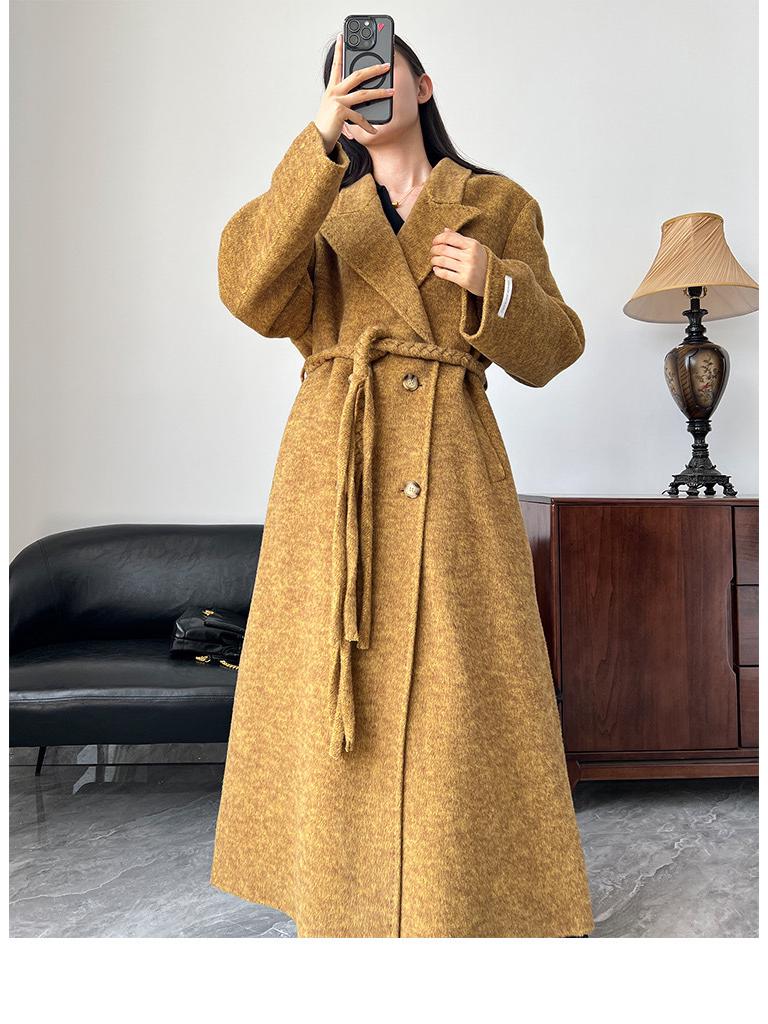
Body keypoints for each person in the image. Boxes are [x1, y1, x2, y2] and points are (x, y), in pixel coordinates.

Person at [210, 30, 594, 939]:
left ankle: (461, 898)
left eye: (381, 74)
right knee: (333, 673)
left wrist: (496, 286)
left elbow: (557, 348)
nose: (366, 89)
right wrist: (315, 147)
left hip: (451, 463)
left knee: (459, 688)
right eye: (346, 83)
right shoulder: (316, 205)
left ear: (423, 85)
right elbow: (248, 291)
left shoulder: (496, 204)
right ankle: (333, 895)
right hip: (335, 466)